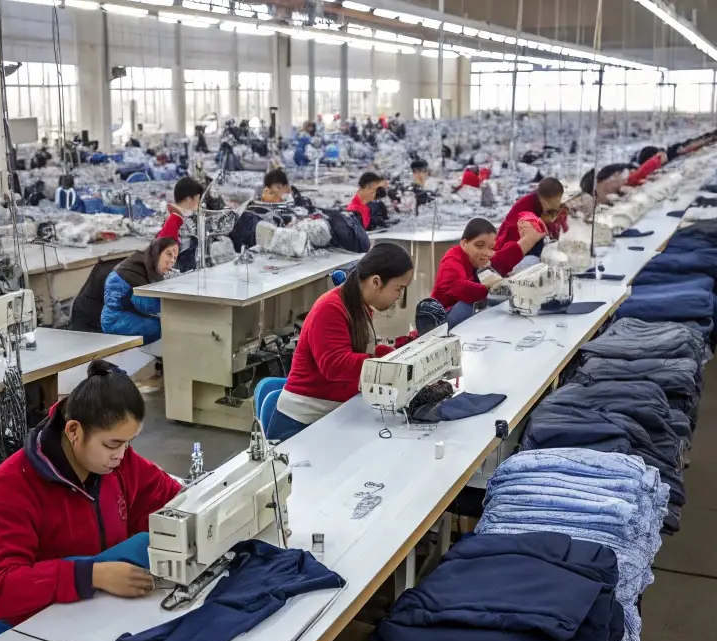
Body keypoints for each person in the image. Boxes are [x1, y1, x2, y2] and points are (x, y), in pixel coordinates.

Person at [0, 360, 181, 633]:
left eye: (128, 443)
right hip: (44, 627)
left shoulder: (119, 463)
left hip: (103, 613)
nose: (121, 455)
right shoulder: (15, 484)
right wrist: (91, 575)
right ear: (74, 431)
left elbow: (170, 500)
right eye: (112, 444)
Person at [266, 243, 414, 441]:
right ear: (376, 282)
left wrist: (394, 351)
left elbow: (359, 349)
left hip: (334, 414)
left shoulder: (357, 305)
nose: (399, 297)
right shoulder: (331, 308)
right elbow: (335, 365)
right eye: (399, 289)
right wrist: (388, 363)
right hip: (300, 426)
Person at [431, 217, 542, 327]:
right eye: (479, 245)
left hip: (455, 312)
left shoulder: (476, 261)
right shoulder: (452, 259)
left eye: (490, 248)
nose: (486, 253)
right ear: (464, 244)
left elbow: (499, 262)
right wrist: (488, 290)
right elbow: (455, 285)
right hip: (439, 319)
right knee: (473, 303)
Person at [101, 237, 180, 342]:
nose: (172, 261)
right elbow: (142, 302)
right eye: (169, 254)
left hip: (122, 316)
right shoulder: (133, 273)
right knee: (162, 327)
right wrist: (175, 304)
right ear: (158, 252)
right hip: (115, 322)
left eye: (175, 257)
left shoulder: (145, 264)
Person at [495, 176, 567, 255]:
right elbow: (511, 242)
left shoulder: (545, 206)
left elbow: (556, 228)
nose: (552, 216)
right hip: (511, 246)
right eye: (550, 211)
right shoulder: (524, 210)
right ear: (541, 199)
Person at [229, 169, 294, 251]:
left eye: (279, 188)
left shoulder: (292, 207)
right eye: (272, 192)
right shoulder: (253, 211)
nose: (277, 194)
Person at [157, 176, 205, 270]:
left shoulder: (188, 218)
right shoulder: (175, 221)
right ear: (188, 200)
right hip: (180, 275)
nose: (200, 203)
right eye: (198, 199)